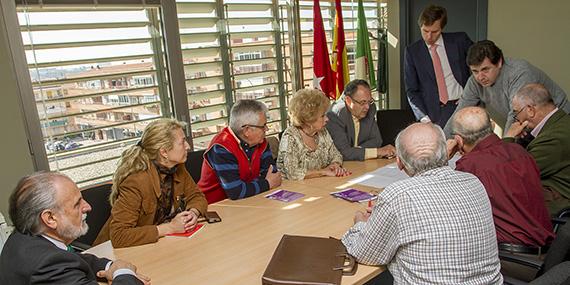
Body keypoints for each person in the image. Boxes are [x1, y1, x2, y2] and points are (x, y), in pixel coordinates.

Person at [341, 123, 502, 284]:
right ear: (446, 154)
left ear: (399, 162)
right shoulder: (473, 181)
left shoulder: (397, 196)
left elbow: (364, 253)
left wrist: (360, 225)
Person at [0, 172, 149, 285]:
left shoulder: (24, 238)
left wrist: (112, 266)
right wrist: (124, 272)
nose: (88, 207)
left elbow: (71, 258)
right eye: (77, 204)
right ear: (50, 218)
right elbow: (60, 262)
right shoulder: (47, 266)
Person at [448, 106, 554, 250]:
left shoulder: (470, 166)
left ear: (458, 140)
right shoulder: (519, 151)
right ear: (491, 126)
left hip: (510, 254)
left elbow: (447, 208)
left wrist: (443, 158)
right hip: (547, 247)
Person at [94, 118, 208, 248]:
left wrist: (193, 213)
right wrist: (170, 228)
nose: (188, 146)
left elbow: (197, 196)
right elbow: (119, 235)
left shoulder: (177, 167)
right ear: (164, 152)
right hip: (113, 255)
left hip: (156, 247)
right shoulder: (136, 181)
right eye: (182, 142)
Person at [444, 40, 569, 137]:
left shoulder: (519, 72)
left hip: (558, 122)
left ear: (499, 62)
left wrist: (504, 147)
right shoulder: (474, 82)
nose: (480, 77)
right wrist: (441, 145)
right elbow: (459, 114)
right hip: (527, 126)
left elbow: (514, 113)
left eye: (485, 70)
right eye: (475, 71)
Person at [504, 83, 570, 215]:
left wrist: (508, 138)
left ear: (530, 110)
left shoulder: (554, 137)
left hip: (559, 202)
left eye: (516, 113)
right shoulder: (561, 123)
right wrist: (522, 139)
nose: (516, 119)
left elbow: (512, 175)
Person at [198, 99, 282, 203]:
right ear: (247, 130)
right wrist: (267, 183)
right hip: (215, 206)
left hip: (251, 200)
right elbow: (235, 192)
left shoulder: (261, 142)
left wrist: (251, 186)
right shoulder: (221, 147)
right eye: (263, 126)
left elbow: (273, 174)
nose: (267, 130)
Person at [404, 5, 473, 127]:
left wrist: (470, 96)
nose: (429, 36)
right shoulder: (412, 52)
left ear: (442, 28)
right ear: (420, 26)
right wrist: (424, 118)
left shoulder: (460, 40)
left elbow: (479, 66)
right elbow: (412, 90)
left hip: (464, 106)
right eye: (425, 31)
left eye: (434, 32)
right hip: (434, 114)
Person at [277, 88, 350, 180]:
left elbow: (336, 155)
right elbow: (292, 172)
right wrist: (323, 172)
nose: (327, 119)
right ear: (309, 120)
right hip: (293, 188)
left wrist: (334, 165)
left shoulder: (322, 131)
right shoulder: (290, 137)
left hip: (319, 183)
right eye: (322, 116)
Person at [326, 79, 396, 161]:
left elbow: (377, 140)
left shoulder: (370, 108)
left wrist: (355, 151)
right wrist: (377, 152)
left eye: (369, 101)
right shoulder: (335, 114)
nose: (367, 107)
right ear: (348, 101)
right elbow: (343, 153)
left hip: (362, 164)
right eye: (362, 102)